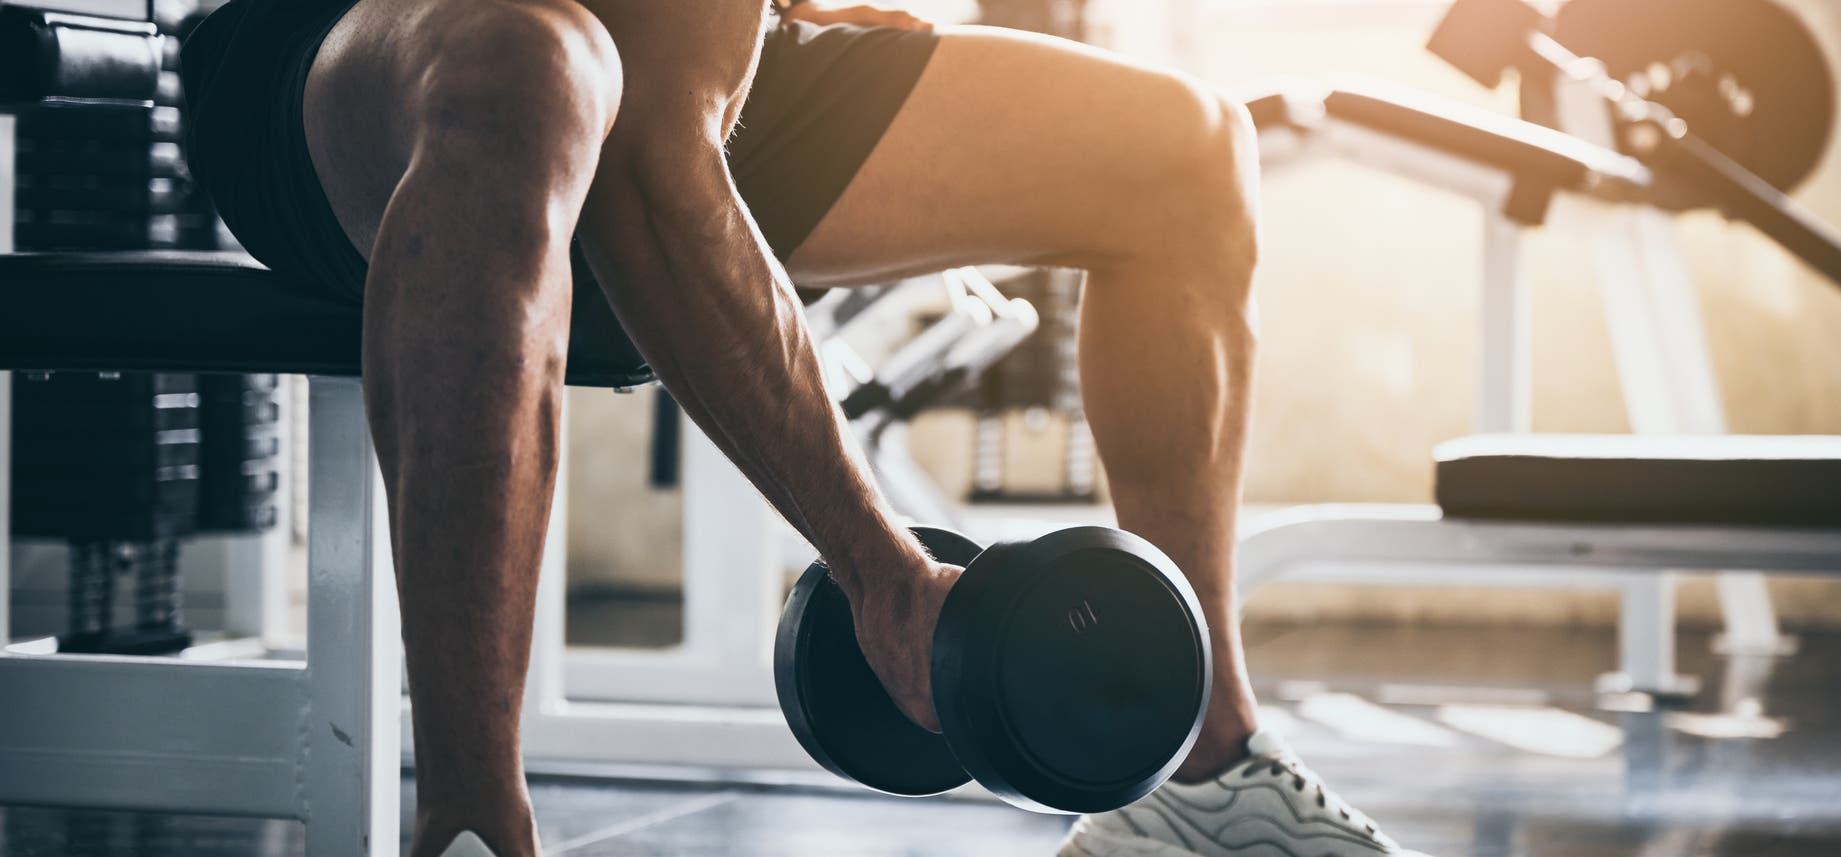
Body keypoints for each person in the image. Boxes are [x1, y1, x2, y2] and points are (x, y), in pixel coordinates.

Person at [180, 0, 1423, 854]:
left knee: (1183, 152)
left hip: (681, 68)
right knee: (533, 70)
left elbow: (673, 118)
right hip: (362, 50)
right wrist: (883, 571)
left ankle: (1198, 779)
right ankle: (469, 819)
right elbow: (658, 182)